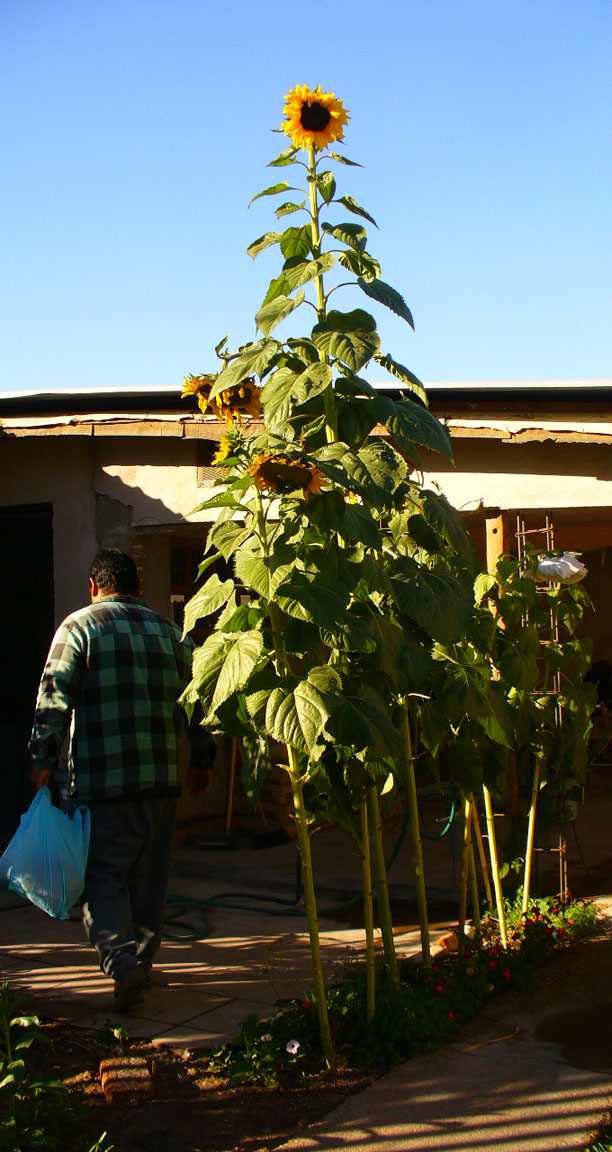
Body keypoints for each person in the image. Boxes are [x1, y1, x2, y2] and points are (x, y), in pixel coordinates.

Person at [28, 548, 213, 1010]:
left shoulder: (80, 627)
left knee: (103, 878)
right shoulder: (172, 634)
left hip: (105, 784)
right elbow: (199, 703)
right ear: (136, 586)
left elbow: (54, 698)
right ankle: (141, 967)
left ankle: (122, 963)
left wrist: (41, 757)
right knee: (150, 881)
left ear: (94, 584)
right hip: (161, 782)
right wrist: (202, 761)